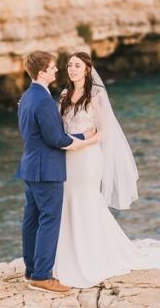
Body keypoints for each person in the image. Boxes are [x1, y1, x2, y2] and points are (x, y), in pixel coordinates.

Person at [53, 51, 160, 288]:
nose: (72, 69)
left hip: (87, 157)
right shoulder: (64, 95)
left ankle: (94, 254)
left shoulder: (94, 97)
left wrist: (83, 143)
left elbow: (105, 132)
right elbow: (57, 126)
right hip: (68, 158)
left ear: (87, 69)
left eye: (77, 65)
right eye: (69, 66)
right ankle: (68, 254)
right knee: (68, 199)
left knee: (87, 199)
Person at [15, 50, 98, 294]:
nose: (56, 71)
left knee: (31, 220)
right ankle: (42, 276)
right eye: (52, 68)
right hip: (46, 170)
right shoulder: (41, 99)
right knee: (49, 220)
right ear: (41, 72)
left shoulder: (27, 96)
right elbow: (55, 138)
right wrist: (83, 137)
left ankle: (31, 271)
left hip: (30, 166)